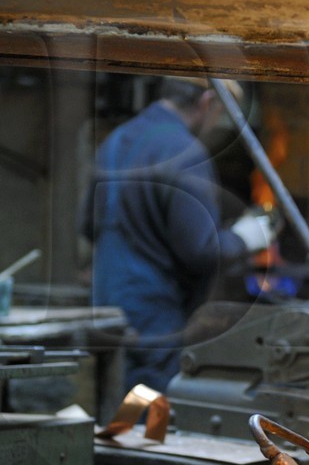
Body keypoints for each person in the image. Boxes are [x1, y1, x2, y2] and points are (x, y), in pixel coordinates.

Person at [80, 76, 274, 395]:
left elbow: (88, 225)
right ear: (207, 102)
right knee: (149, 410)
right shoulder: (184, 151)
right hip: (154, 316)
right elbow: (201, 250)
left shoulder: (114, 141)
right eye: (219, 114)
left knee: (114, 405)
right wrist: (245, 238)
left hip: (105, 305)